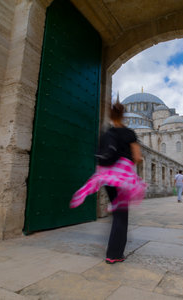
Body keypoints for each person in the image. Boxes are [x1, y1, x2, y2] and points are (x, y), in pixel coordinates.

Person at [70, 101, 145, 265]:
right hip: (123, 180)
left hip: (107, 178)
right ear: (123, 115)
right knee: (121, 217)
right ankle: (114, 254)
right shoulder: (129, 133)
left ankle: (114, 245)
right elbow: (138, 157)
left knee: (117, 212)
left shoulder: (105, 134)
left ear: (111, 116)